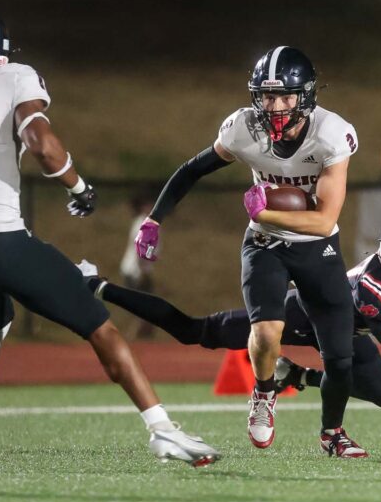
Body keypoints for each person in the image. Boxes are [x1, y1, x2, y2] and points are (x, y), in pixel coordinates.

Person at [0, 2, 220, 472]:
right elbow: (40, 142)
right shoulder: (14, 76)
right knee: (100, 326)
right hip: (0, 241)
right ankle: (162, 430)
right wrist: (78, 186)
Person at [83, 212, 381, 412]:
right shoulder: (376, 291)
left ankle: (297, 375)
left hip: (345, 334)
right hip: (304, 317)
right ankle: (99, 284)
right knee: (195, 331)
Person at [135, 46, 366, 457]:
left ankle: (333, 433)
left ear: (306, 96)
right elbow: (193, 169)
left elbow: (323, 220)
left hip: (316, 245)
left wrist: (267, 212)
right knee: (264, 332)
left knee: (340, 354)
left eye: (285, 96)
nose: (275, 106)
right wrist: (154, 219)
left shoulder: (331, 134)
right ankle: (263, 391)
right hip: (265, 244)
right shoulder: (243, 128)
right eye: (266, 95)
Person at [120, 192, 157, 339]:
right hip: (135, 271)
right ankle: (133, 337)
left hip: (135, 270)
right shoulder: (145, 224)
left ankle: (138, 337)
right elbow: (141, 248)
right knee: (142, 308)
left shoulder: (146, 222)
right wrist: (143, 271)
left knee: (145, 307)